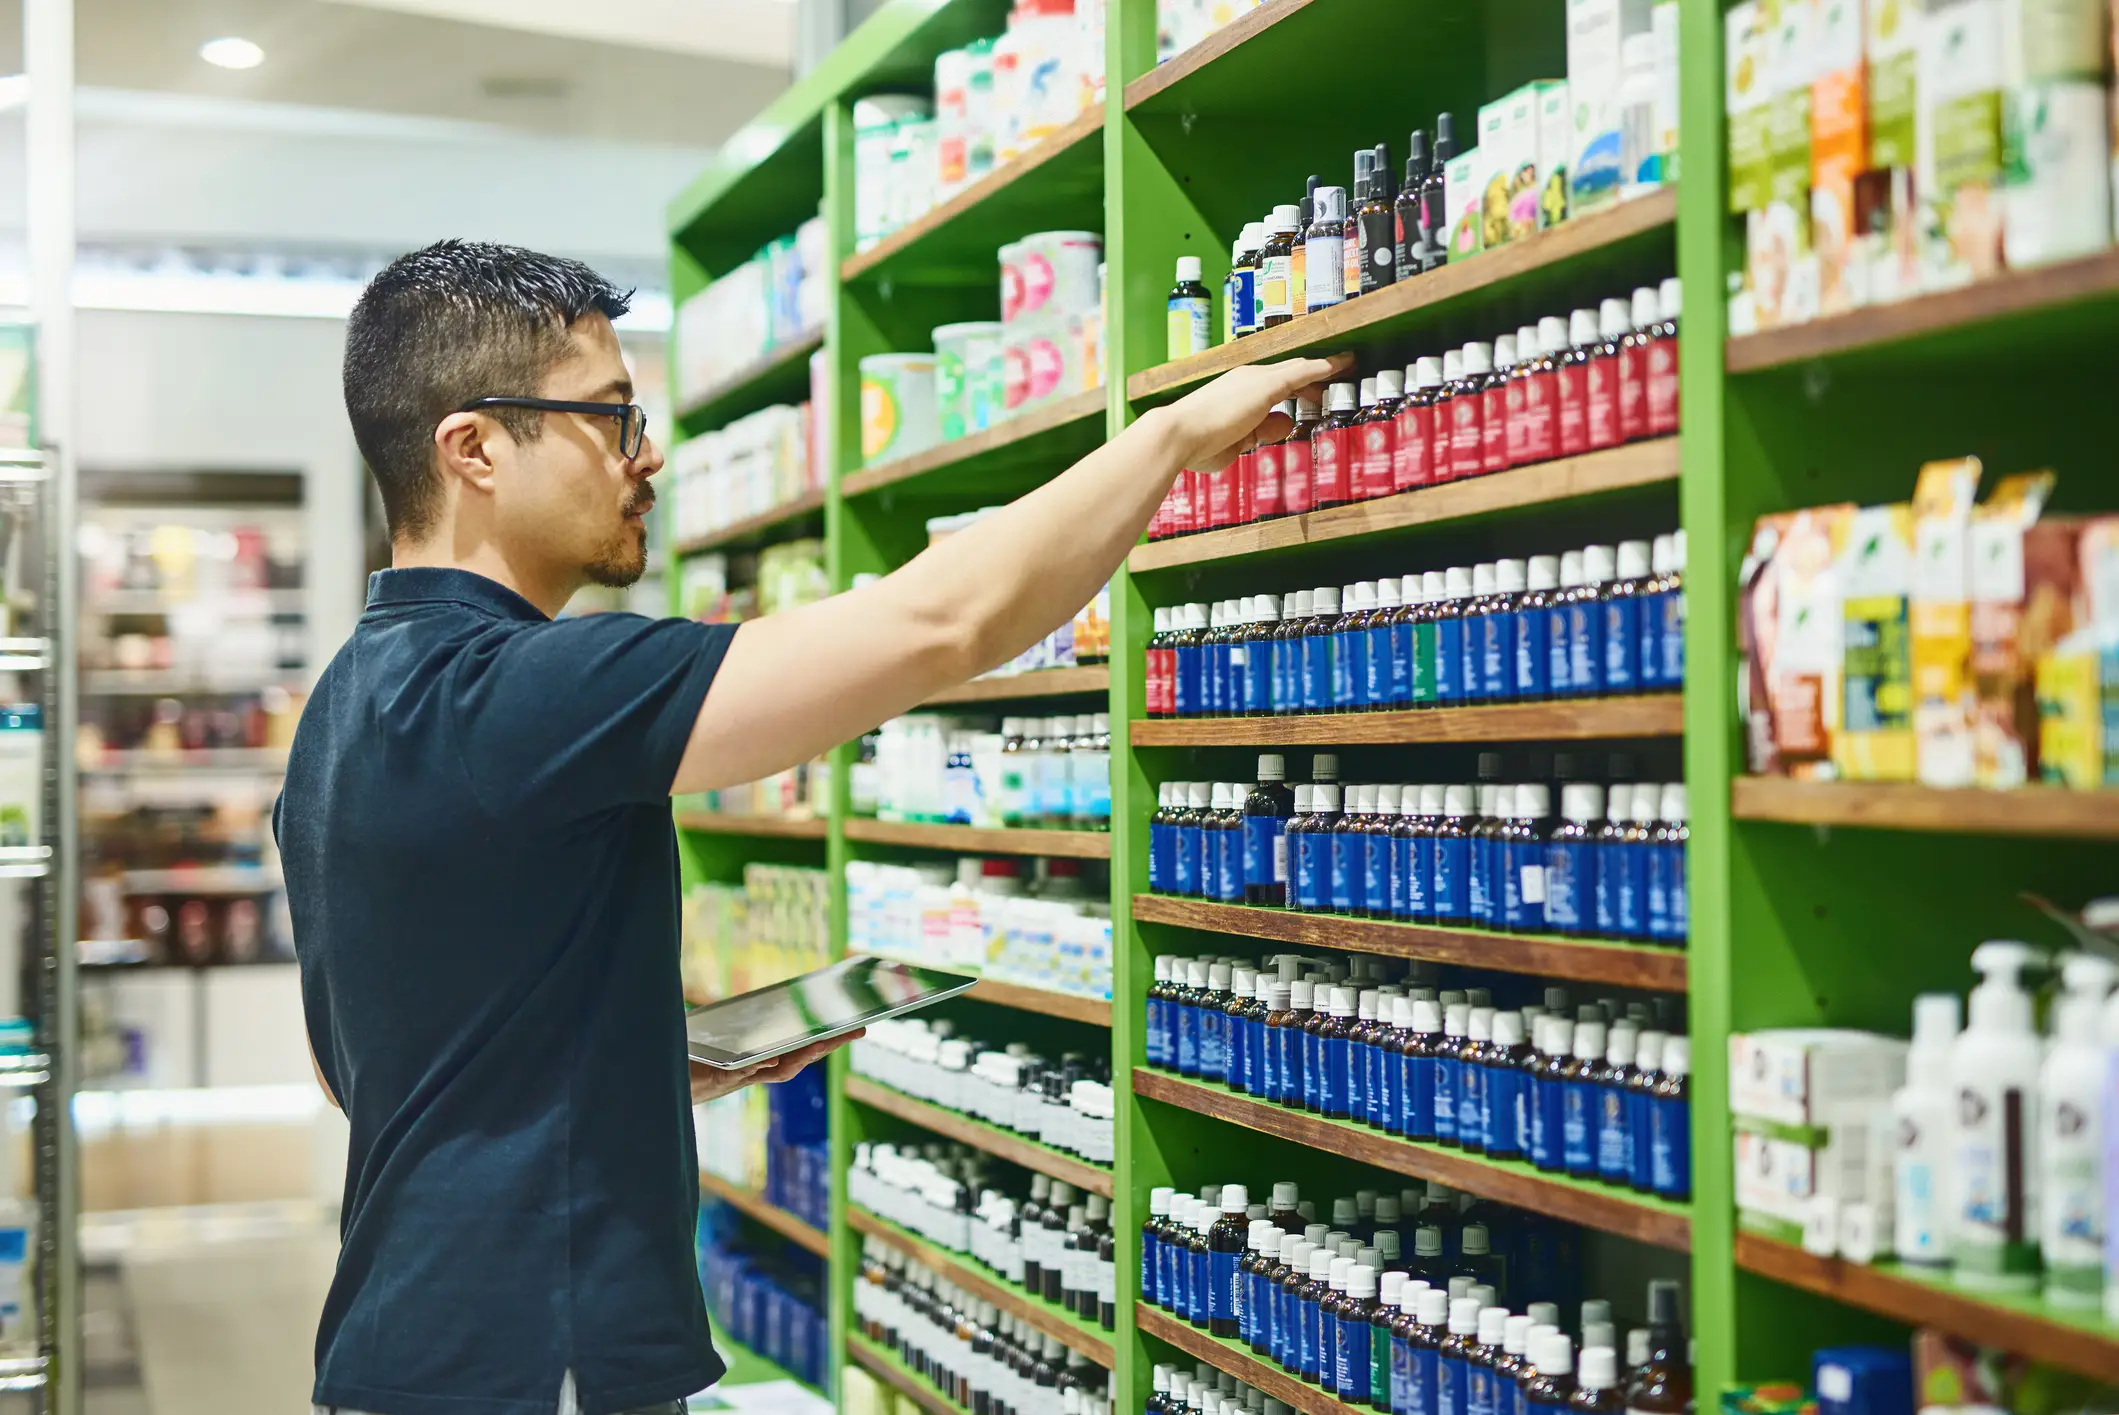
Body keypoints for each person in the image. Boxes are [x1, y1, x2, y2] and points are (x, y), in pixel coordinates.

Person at [278, 238, 1339, 1415]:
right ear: (473, 446)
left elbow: (364, 1063)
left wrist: (632, 1065)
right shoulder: (523, 690)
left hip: (402, 1343)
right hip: (537, 1355)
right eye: (610, 418)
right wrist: (1178, 431)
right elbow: (944, 621)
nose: (648, 455)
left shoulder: (344, 705)